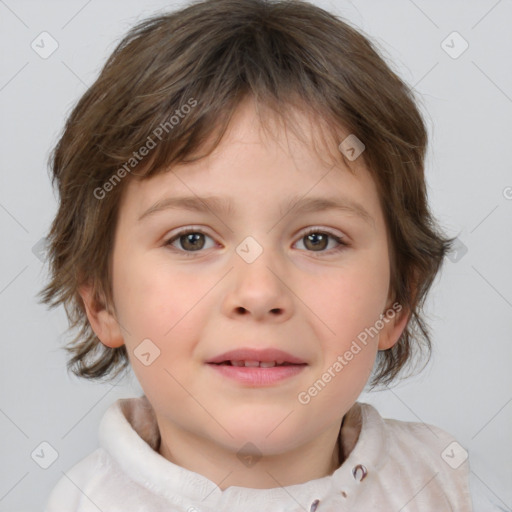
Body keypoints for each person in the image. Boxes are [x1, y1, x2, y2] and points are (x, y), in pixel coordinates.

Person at [40, 0, 474, 510]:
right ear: (101, 303)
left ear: (397, 300)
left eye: (318, 239)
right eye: (192, 240)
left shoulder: (437, 479)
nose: (260, 293)